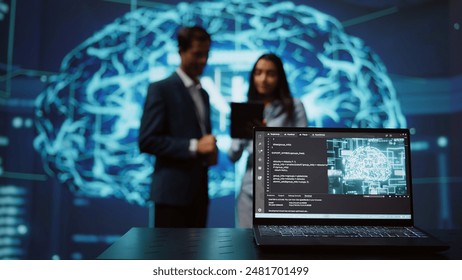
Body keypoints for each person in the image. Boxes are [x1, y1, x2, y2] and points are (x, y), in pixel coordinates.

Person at [139, 26, 217, 228]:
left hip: (199, 195)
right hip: (171, 198)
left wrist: (209, 152)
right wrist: (194, 146)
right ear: (181, 51)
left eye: (206, 54)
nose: (203, 61)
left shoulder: (204, 94)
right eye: (197, 54)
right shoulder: (160, 89)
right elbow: (147, 140)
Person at [228, 53, 308, 228]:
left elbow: (305, 151)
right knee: (246, 248)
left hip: (284, 192)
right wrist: (241, 132)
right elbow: (232, 156)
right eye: (258, 73)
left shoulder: (294, 107)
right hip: (249, 191)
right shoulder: (245, 108)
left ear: (279, 78)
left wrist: (265, 134)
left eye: (270, 73)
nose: (263, 79)